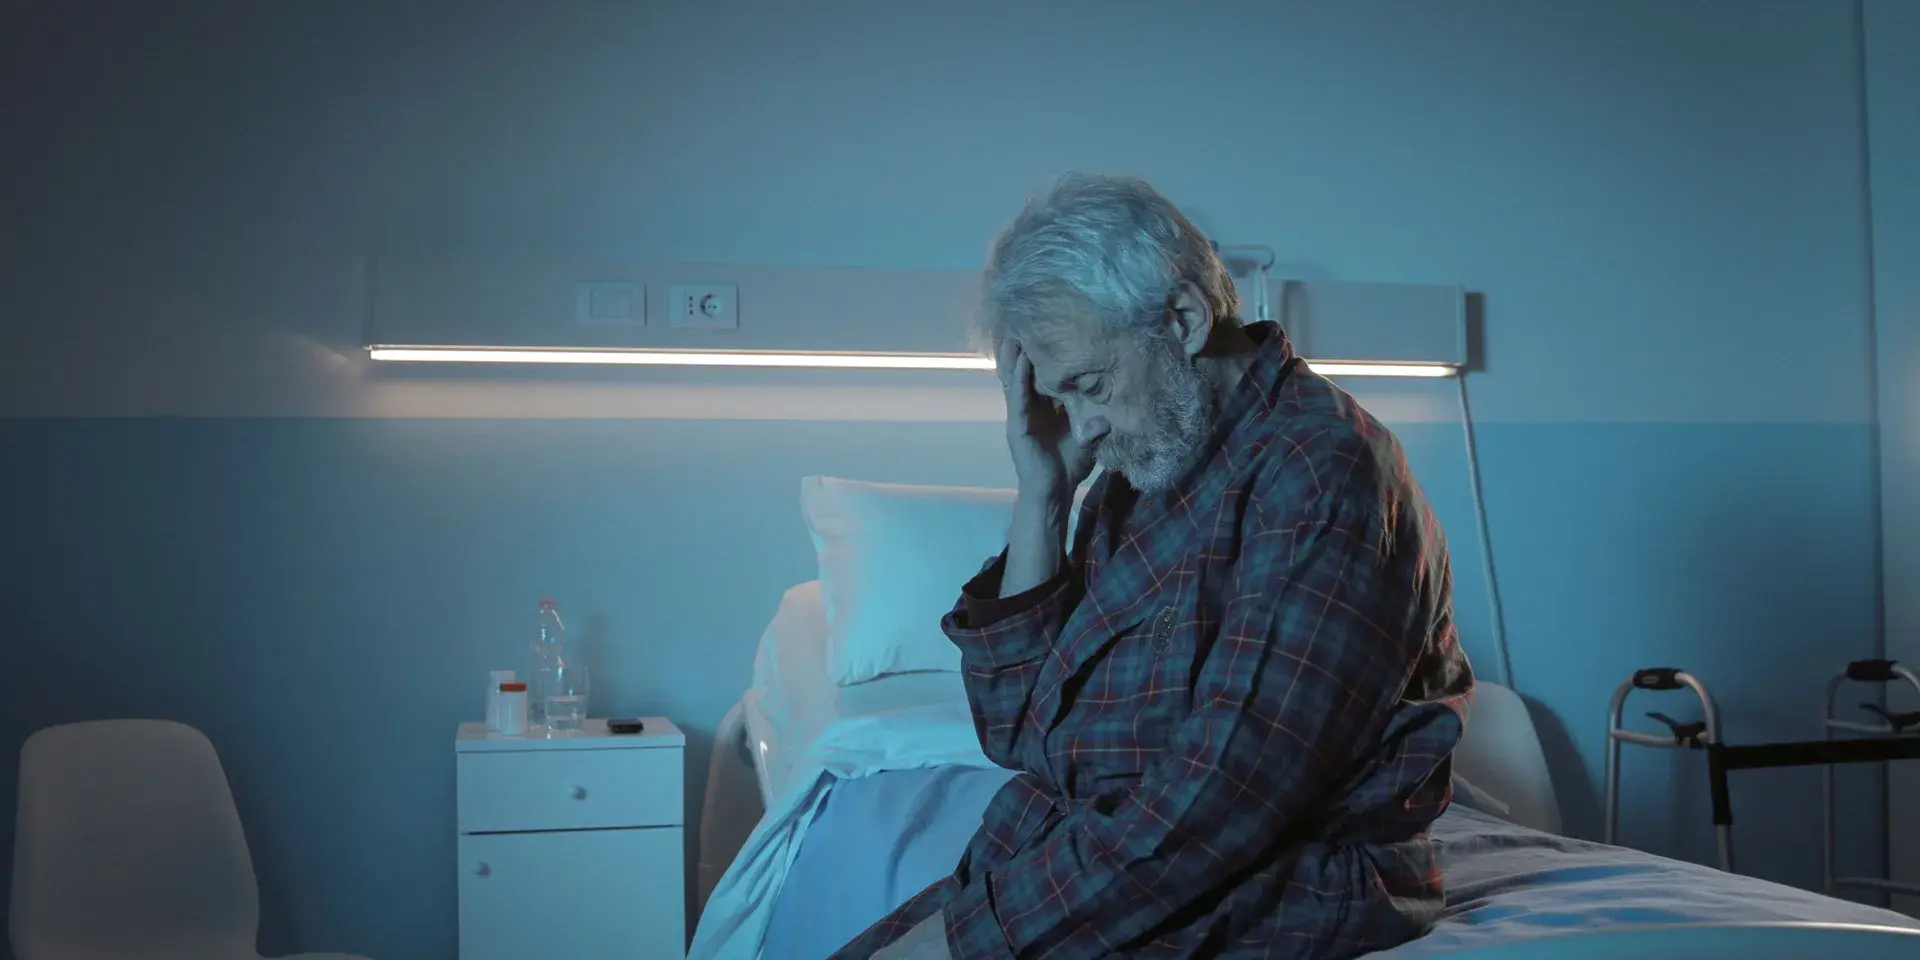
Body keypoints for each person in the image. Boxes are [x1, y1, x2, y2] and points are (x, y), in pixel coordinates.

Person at [832, 174, 1474, 960]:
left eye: (1090, 385)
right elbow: (1014, 731)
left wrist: (967, 942)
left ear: (1183, 318)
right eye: (1062, 397)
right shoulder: (1144, 466)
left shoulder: (1323, 472)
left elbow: (1222, 797)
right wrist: (1044, 494)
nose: (1084, 423)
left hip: (1268, 880)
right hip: (1113, 862)